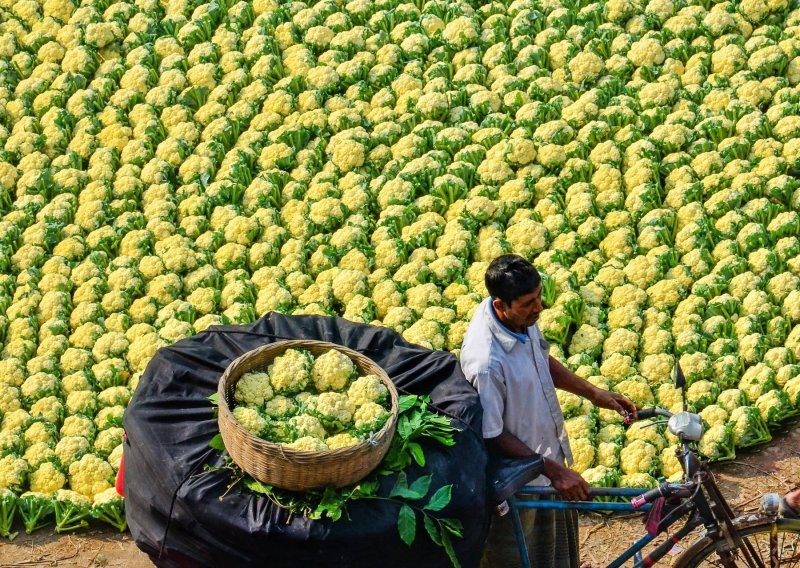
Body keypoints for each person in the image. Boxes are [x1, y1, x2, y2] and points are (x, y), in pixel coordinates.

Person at [460, 254, 638, 568]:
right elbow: (492, 433)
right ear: (501, 305)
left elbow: (540, 359)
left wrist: (593, 393)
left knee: (557, 555)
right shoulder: (486, 363)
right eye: (529, 303)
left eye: (539, 297)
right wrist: (552, 470)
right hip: (522, 484)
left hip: (547, 466)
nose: (539, 308)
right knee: (525, 556)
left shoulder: (519, 320)